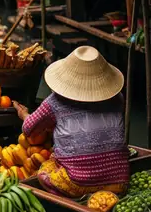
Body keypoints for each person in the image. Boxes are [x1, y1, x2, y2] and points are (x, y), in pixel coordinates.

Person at [13, 46, 129, 199]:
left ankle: (70, 196)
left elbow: (29, 129)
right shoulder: (117, 98)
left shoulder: (54, 102)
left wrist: (24, 114)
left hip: (77, 183)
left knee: (44, 171)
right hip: (119, 181)